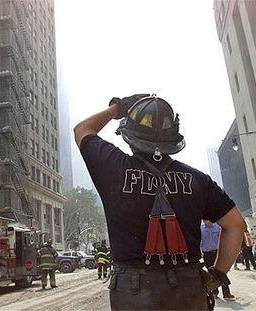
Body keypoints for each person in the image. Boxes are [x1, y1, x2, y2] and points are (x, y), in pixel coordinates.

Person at [74, 94, 246, 310]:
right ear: (172, 137)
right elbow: (236, 224)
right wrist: (217, 275)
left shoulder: (113, 167)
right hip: (189, 287)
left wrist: (117, 109)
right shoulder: (198, 180)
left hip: (133, 292)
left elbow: (82, 130)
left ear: (129, 135)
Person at [201, 220, 235, 300]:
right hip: (207, 254)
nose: (208, 222)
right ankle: (214, 293)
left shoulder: (218, 227)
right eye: (206, 220)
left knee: (222, 272)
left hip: (218, 252)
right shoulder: (201, 229)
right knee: (210, 273)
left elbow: (224, 239)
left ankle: (226, 293)